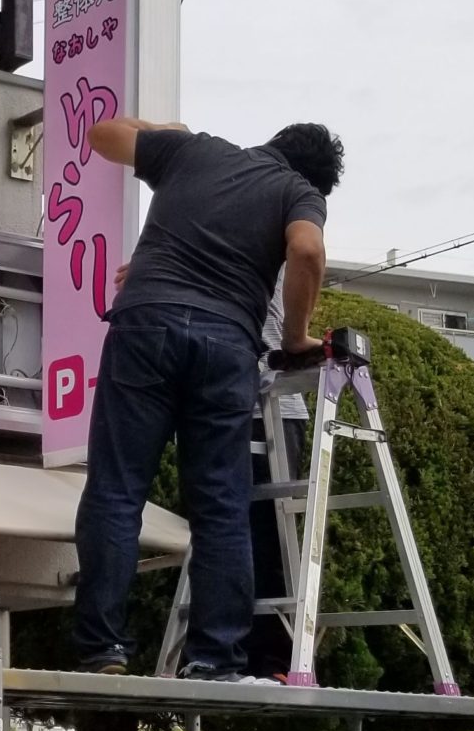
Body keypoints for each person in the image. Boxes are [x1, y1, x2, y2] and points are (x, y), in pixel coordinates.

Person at [70, 119, 345, 680]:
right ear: (314, 178)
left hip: (145, 324)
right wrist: (295, 338)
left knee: (116, 490)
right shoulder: (297, 191)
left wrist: (164, 130)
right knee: (221, 504)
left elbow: (101, 134)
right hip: (226, 343)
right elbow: (307, 248)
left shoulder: (192, 150)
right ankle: (213, 658)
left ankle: (103, 649)